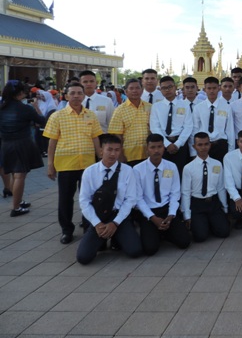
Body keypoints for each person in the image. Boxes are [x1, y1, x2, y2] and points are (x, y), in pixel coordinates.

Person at [43, 82, 103, 244]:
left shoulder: (91, 115)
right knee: (65, 199)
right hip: (66, 165)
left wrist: (100, 159)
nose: (76, 96)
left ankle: (89, 227)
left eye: (79, 93)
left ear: (84, 95)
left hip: (88, 165)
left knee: (89, 198)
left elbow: (95, 138)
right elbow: (52, 142)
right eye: (73, 93)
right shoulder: (57, 116)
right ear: (66, 96)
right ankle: (66, 230)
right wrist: (50, 165)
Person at [76, 134, 142, 264]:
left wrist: (115, 223)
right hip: (98, 216)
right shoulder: (89, 172)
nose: (113, 154)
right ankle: (103, 238)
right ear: (101, 151)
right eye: (109, 149)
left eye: (117, 150)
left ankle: (116, 236)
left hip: (118, 216)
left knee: (135, 251)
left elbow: (130, 200)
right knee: (83, 258)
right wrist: (97, 223)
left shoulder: (127, 171)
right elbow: (84, 201)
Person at [134, 134, 191, 255]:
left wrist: (171, 214)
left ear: (164, 148)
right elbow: (138, 199)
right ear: (147, 149)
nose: (156, 150)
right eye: (152, 147)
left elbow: (175, 193)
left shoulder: (171, 166)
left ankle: (164, 232)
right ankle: (157, 232)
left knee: (184, 242)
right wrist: (153, 218)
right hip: (149, 212)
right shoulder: (137, 170)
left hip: (166, 209)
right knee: (150, 249)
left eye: (159, 147)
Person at [0, 81, 47, 216]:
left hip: (6, 144)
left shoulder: (2, 108)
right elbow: (42, 121)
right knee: (20, 175)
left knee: (14, 173)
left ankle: (18, 200)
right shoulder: (25, 108)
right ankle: (16, 208)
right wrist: (36, 107)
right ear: (20, 93)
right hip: (22, 143)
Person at [181, 133, 230, 242]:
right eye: (200, 145)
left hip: (213, 203)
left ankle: (211, 222)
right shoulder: (188, 168)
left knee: (224, 232)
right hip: (197, 204)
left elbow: (220, 187)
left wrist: (225, 208)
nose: (203, 147)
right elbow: (185, 192)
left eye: (206, 144)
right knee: (200, 237)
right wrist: (187, 215)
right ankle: (203, 223)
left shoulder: (217, 164)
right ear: (194, 146)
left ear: (210, 145)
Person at [149, 76, 193, 175]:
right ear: (160, 89)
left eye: (170, 87)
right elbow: (155, 127)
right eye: (164, 88)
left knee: (180, 172)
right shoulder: (156, 106)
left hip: (180, 144)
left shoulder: (184, 105)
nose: (167, 90)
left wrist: (177, 144)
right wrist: (167, 144)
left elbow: (188, 126)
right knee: (164, 173)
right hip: (162, 144)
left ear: (175, 87)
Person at [107, 78, 152, 167]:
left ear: (142, 90)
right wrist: (120, 154)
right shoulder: (119, 110)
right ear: (126, 91)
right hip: (129, 156)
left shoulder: (150, 107)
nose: (135, 91)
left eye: (137, 88)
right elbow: (116, 135)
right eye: (131, 88)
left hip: (148, 154)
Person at [192, 77, 235, 163]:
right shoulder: (198, 108)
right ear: (205, 89)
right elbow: (195, 129)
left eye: (214, 88)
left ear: (219, 88)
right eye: (209, 88)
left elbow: (230, 130)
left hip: (221, 145)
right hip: (203, 146)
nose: (212, 91)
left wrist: (231, 151)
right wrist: (193, 151)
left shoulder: (226, 107)